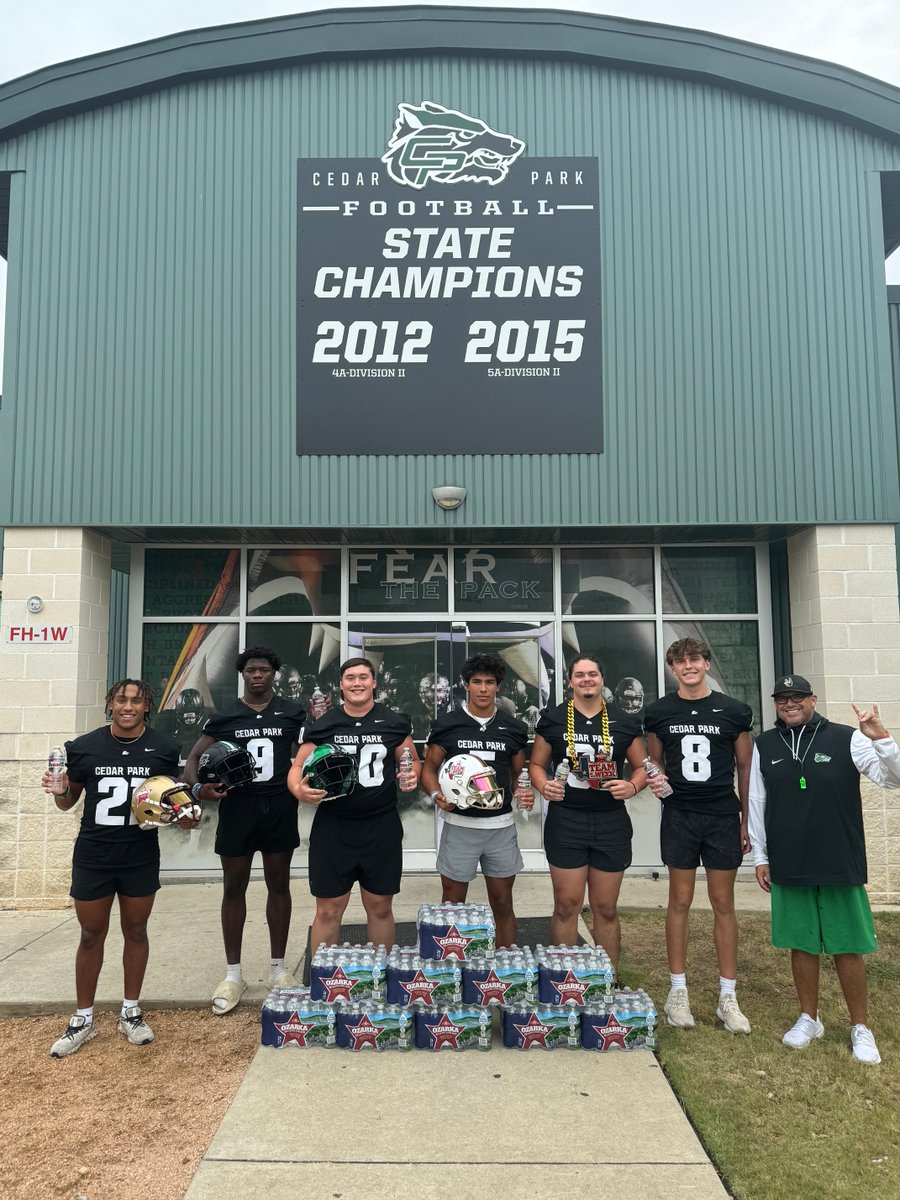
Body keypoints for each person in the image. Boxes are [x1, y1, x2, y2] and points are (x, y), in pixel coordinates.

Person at [748, 675, 900, 1064]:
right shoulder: (765, 744)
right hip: (789, 859)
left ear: (813, 700)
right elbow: (756, 801)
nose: (789, 703)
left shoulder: (848, 737)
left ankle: (860, 1027)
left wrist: (881, 736)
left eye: (797, 697)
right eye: (782, 698)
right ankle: (808, 1017)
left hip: (838, 858)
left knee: (847, 944)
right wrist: (760, 856)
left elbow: (893, 779)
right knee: (801, 943)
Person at [42, 679, 192, 1058]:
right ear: (110, 703)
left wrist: (185, 815)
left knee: (136, 930)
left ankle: (131, 1011)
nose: (128, 706)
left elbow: (171, 807)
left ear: (147, 706)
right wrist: (58, 789)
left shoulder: (165, 748)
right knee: (91, 934)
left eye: (137, 700)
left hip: (139, 852)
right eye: (121, 699)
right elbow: (67, 803)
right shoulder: (84, 746)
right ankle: (83, 1018)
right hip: (94, 852)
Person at [185, 646, 306, 1014]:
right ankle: (233, 974)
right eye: (251, 669)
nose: (257, 675)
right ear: (243, 674)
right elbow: (192, 759)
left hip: (279, 807)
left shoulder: (292, 712)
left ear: (274, 673)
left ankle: (278, 970)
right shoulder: (225, 715)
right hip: (238, 807)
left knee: (279, 884)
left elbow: (306, 755)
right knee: (233, 888)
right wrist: (197, 789)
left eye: (264, 669)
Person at [643, 637, 753, 1034]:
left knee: (723, 902)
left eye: (695, 659)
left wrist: (745, 821)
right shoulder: (659, 712)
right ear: (672, 668)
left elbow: (745, 768)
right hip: (680, 814)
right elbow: (655, 760)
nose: (688, 666)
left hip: (722, 814)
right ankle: (678, 991)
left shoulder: (734, 710)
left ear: (706, 663)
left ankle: (728, 996)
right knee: (680, 899)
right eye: (680, 661)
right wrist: (654, 777)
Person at [288, 657, 419, 950]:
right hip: (334, 826)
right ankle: (322, 982)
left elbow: (410, 761)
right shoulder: (325, 723)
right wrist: (299, 790)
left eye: (363, 677)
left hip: (380, 824)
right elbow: (297, 767)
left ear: (374, 682)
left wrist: (410, 776)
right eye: (350, 678)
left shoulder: (394, 722)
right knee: (328, 909)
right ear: (341, 685)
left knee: (380, 907)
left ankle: (380, 980)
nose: (357, 683)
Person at [528, 656, 646, 966]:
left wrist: (632, 786)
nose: (586, 679)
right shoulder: (552, 719)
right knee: (567, 905)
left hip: (610, 822)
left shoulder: (623, 720)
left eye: (592, 673)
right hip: (567, 821)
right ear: (570, 681)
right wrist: (543, 786)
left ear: (602, 678)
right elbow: (536, 765)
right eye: (579, 675)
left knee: (605, 908)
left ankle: (607, 981)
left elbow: (643, 768)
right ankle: (563, 979)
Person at [421, 654, 531, 948]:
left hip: (500, 826)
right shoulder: (447, 724)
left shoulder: (514, 727)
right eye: (477, 682)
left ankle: (507, 965)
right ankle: (452, 968)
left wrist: (525, 790)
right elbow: (429, 768)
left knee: (502, 903)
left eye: (490, 683)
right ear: (466, 685)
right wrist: (435, 795)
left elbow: (520, 774)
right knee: (453, 906)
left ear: (498, 687)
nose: (483, 688)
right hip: (460, 825)